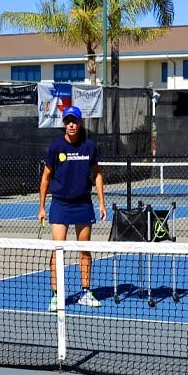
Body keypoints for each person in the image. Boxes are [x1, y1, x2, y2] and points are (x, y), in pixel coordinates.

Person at [37, 105, 107, 312]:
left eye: (74, 121)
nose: (71, 125)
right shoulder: (56, 147)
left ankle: (85, 292)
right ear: (64, 124)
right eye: (68, 121)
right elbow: (45, 178)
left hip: (83, 203)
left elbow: (97, 175)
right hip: (60, 204)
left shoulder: (89, 146)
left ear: (80, 123)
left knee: (84, 249)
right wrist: (41, 207)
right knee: (58, 250)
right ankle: (57, 295)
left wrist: (102, 202)